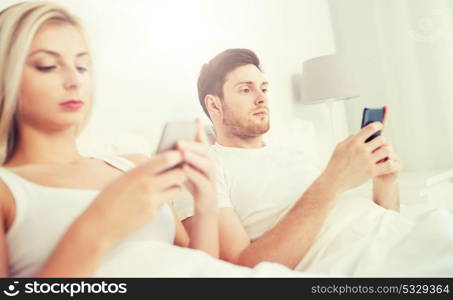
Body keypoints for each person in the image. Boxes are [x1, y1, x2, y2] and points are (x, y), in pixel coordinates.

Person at [175, 48, 453, 276]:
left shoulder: (293, 154)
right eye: (246, 90)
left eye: (263, 88)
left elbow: (381, 216)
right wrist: (332, 181)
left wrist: (385, 181)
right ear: (214, 105)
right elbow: (241, 267)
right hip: (362, 261)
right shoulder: (204, 168)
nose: (262, 98)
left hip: (400, 236)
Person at [0, 1, 226, 278]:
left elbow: (199, 274)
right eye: (47, 66)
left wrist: (206, 204)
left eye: (82, 67)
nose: (74, 80)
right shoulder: (7, 190)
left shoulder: (135, 168)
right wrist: (98, 226)